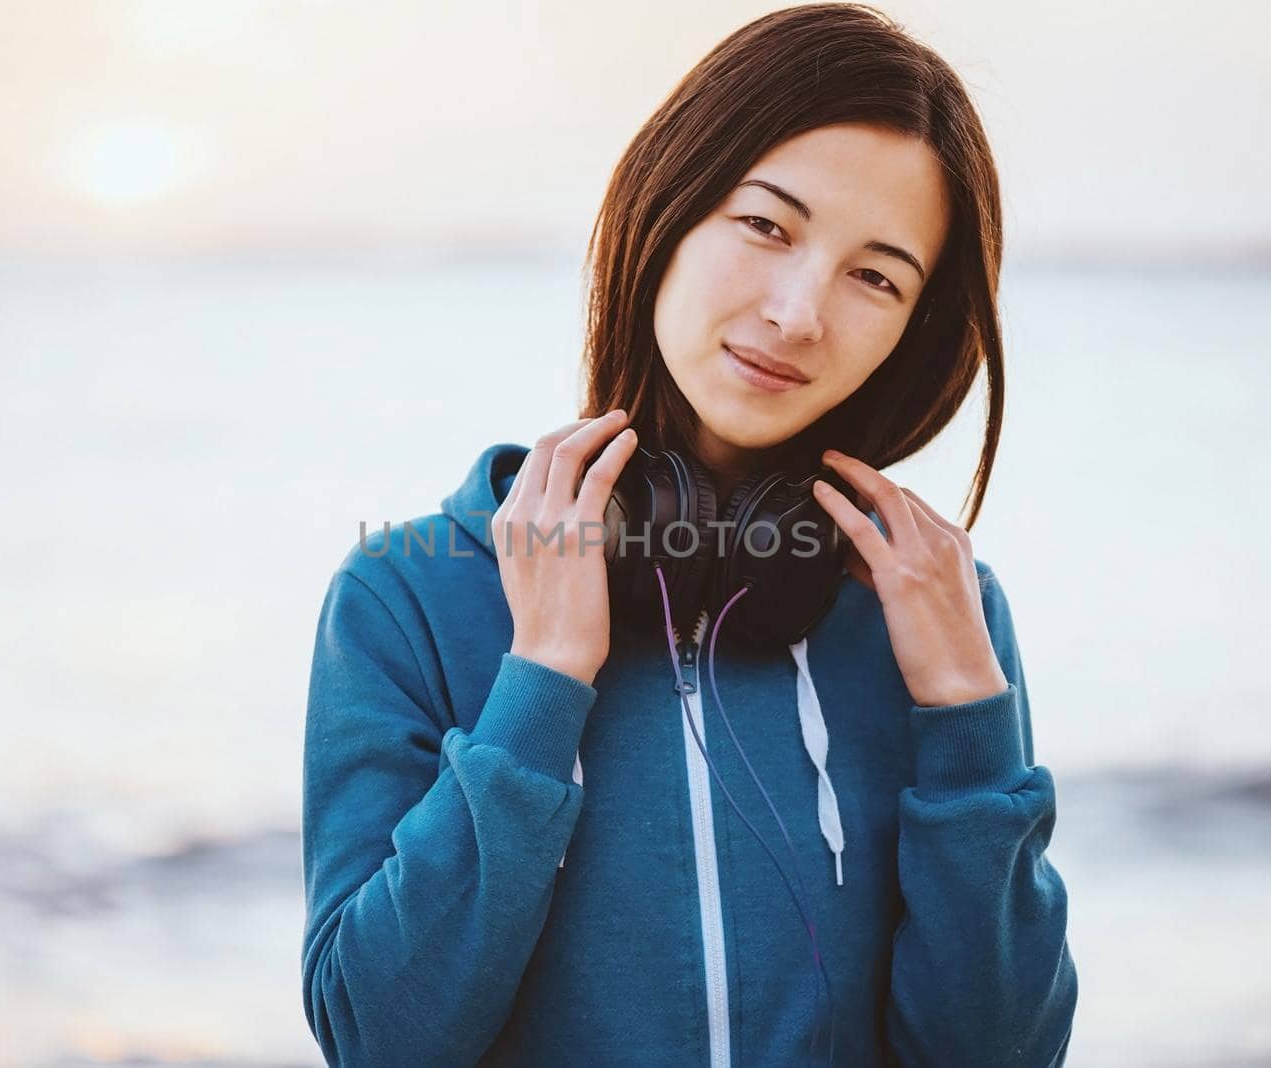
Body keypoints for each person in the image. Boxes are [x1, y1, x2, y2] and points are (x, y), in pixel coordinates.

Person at [300, 4, 1078, 1064]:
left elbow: (995, 1054)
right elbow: (376, 1039)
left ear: (911, 330)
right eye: (765, 225)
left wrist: (966, 722)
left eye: (876, 275)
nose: (799, 312)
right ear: (667, 210)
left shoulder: (936, 611)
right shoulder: (407, 593)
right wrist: (541, 683)